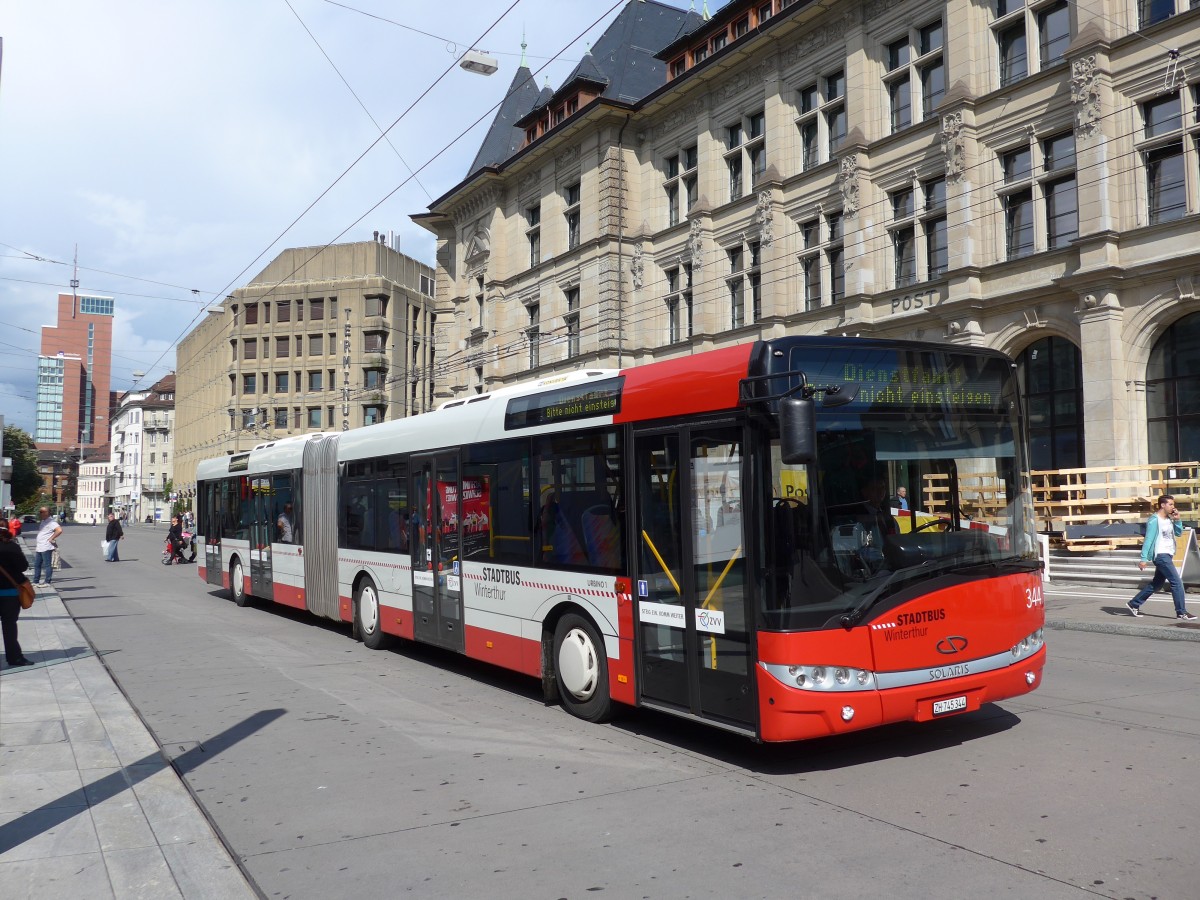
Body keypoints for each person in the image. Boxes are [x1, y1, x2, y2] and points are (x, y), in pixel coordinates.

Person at [1128, 494, 1197, 619]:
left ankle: (1134, 603)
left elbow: (1179, 533)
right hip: (1160, 555)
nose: (1173, 507)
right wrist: (1143, 558)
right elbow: (1148, 539)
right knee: (1177, 582)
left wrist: (1177, 520)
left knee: (1157, 584)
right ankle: (1181, 612)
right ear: (1162, 505)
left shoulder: (1169, 519)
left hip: (1168, 554)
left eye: (1173, 504)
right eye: (1170, 504)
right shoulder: (1154, 520)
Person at [0, 519, 34, 669]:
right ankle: (14, 657)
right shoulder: (11, 547)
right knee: (9, 627)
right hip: (9, 593)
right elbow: (23, 566)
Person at [33, 506, 62, 586]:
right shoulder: (43, 521)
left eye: (41, 512)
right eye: (40, 511)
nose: (40, 513)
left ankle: (47, 581)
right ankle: (36, 581)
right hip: (40, 546)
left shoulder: (52, 522)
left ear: (47, 513)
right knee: (37, 564)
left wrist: (51, 538)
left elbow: (59, 530)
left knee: (47, 565)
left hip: (46, 546)